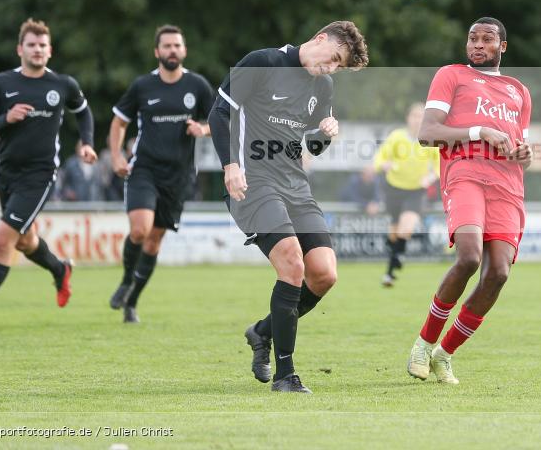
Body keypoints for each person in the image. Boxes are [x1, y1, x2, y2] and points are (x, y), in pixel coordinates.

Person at [208, 21, 368, 393]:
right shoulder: (263, 62)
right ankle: (285, 375)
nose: (330, 69)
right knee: (292, 263)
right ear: (319, 39)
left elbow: (307, 147)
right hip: (254, 183)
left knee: (324, 274)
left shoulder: (322, 87)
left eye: (338, 67)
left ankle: (261, 331)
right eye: (332, 59)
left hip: (296, 187)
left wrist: (322, 135)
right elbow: (219, 113)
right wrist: (230, 166)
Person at [406, 17, 531, 384]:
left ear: (502, 47)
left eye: (487, 39)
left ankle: (445, 355)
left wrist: (525, 154)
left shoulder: (519, 91)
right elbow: (427, 134)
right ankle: (424, 344)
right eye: (472, 38)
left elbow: (521, 145)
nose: (477, 44)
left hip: (508, 186)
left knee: (498, 273)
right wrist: (480, 131)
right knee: (470, 256)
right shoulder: (452, 75)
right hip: (465, 174)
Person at [0, 18, 95, 334]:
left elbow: (82, 111)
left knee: (2, 239)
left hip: (40, 174)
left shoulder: (62, 84)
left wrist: (86, 143)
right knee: (25, 241)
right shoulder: (1, 84)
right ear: (20, 49)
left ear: (50, 50)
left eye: (43, 45)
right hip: (7, 174)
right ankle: (59, 268)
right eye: (32, 44)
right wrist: (8, 117)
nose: (38, 50)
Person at [107, 24, 214, 323]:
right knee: (140, 230)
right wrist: (116, 156)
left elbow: (221, 118)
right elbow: (118, 123)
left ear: (184, 50)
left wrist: (203, 129)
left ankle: (132, 302)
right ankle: (127, 280)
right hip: (144, 169)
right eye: (166, 46)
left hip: (177, 176)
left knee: (154, 241)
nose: (172, 50)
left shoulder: (197, 85)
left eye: (177, 46)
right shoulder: (143, 86)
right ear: (157, 52)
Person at [373, 102, 439, 287]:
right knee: (394, 232)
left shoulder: (430, 139)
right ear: (408, 118)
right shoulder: (397, 137)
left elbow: (439, 166)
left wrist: (431, 177)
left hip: (416, 190)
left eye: (421, 116)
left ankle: (398, 255)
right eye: (414, 115)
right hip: (393, 188)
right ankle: (390, 271)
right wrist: (384, 165)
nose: (418, 120)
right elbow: (379, 158)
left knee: (406, 227)